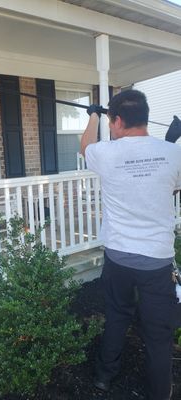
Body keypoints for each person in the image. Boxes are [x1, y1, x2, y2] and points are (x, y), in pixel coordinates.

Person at [80, 89, 181, 400]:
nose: (111, 128)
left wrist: (93, 113)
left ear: (118, 120)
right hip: (156, 263)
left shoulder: (106, 153)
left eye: (111, 122)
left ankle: (104, 377)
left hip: (119, 258)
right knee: (157, 334)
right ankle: (159, 394)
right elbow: (172, 187)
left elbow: (84, 147)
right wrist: (171, 142)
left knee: (117, 316)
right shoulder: (173, 154)